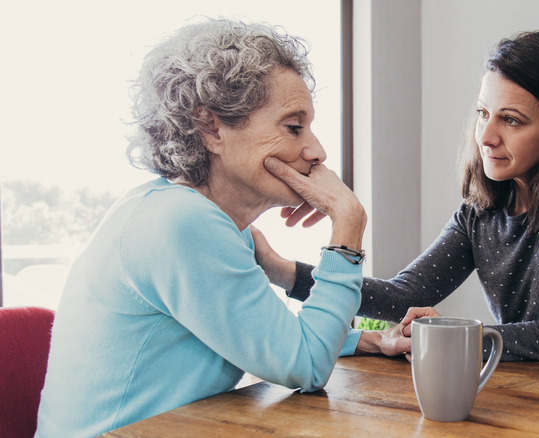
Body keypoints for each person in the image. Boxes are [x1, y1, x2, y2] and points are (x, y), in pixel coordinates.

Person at [35, 19, 367, 437]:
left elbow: (264, 334)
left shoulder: (194, 216)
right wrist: (348, 223)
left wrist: (364, 341)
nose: (317, 151)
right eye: (293, 127)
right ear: (211, 128)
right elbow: (306, 365)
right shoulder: (181, 223)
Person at [256, 30, 539, 362]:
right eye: (484, 114)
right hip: (527, 389)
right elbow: (405, 295)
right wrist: (279, 269)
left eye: (511, 120)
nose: (486, 137)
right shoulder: (482, 210)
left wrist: (452, 336)